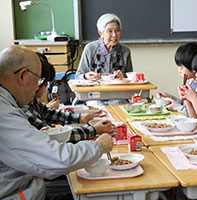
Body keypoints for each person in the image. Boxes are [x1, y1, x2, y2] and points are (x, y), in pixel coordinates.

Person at [0, 45, 113, 199]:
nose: (38, 88)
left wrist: (81, 120)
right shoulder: (5, 115)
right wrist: (98, 146)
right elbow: (57, 158)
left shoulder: (12, 101)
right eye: (39, 80)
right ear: (22, 76)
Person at [22, 53, 115, 143]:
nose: (46, 86)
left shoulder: (29, 99)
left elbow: (47, 113)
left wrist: (80, 118)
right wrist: (94, 130)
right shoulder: (23, 109)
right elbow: (55, 137)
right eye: (44, 82)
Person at [76, 13, 133, 105]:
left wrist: (123, 76)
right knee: (98, 107)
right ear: (100, 33)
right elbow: (78, 75)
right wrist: (86, 76)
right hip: (95, 94)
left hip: (117, 95)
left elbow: (130, 77)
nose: (114, 35)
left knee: (119, 106)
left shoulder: (125, 51)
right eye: (110, 31)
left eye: (117, 30)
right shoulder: (90, 48)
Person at [156, 42, 197, 116]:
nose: (179, 71)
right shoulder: (190, 81)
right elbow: (185, 104)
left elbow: (194, 115)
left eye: (181, 67)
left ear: (193, 67)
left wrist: (176, 106)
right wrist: (170, 98)